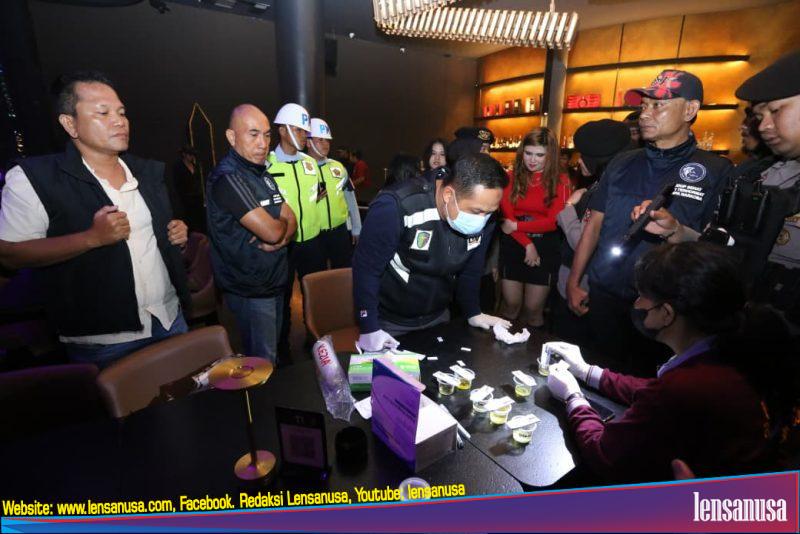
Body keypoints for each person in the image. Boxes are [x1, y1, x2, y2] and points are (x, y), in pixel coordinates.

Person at [547, 241, 799, 483]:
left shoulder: (688, 385)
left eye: (642, 296)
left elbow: (604, 454)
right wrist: (589, 372)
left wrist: (573, 398)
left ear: (667, 313)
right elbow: (655, 393)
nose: (637, 303)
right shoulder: (726, 352)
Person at [0, 71, 190, 368]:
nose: (119, 121)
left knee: (189, 396)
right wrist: (91, 238)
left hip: (170, 320)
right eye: (103, 113)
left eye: (121, 113)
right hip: (104, 341)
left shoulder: (147, 172)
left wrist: (176, 236)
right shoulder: (35, 178)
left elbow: (155, 239)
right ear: (70, 124)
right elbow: (10, 254)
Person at [566, 69, 732, 375]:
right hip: (604, 297)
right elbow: (594, 225)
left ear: (690, 110)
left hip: (666, 311)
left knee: (648, 386)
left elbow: (717, 251)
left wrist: (677, 230)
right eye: (644, 106)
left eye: (658, 105)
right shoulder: (622, 162)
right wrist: (574, 282)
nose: (645, 114)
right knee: (597, 377)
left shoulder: (715, 171)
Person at [633, 51, 800, 329]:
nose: (764, 126)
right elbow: (728, 249)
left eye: (776, 111)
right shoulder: (755, 175)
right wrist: (677, 231)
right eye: (760, 115)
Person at [352, 153, 511, 350]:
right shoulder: (397, 205)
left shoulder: (485, 217)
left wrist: (473, 312)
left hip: (439, 317)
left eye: (490, 212)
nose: (482, 219)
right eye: (477, 211)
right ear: (448, 195)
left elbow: (472, 269)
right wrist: (369, 327)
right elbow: (366, 270)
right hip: (389, 323)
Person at [205, 104, 296, 363]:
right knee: (261, 364)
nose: (263, 143)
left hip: (274, 281)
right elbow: (272, 232)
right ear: (231, 137)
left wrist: (280, 236)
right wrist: (280, 232)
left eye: (266, 135)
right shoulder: (229, 178)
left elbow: (292, 218)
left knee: (272, 355)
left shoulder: (262, 173)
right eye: (253, 134)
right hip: (252, 289)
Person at [554, 119, 630, 345]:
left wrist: (568, 207)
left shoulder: (601, 192)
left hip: (583, 281)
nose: (578, 161)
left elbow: (581, 240)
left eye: (583, 156)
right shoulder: (606, 185)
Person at [268, 103, 326, 355]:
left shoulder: (310, 164)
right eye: (300, 130)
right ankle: (282, 349)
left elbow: (320, 196)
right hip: (282, 244)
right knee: (281, 297)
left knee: (314, 295)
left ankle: (315, 339)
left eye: (306, 131)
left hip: (312, 241)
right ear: (283, 130)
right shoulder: (267, 165)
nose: (305, 135)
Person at [498, 128, 570, 328]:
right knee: (511, 306)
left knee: (533, 311)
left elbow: (553, 221)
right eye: (528, 153)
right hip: (514, 243)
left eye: (539, 155)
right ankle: (501, 345)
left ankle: (530, 347)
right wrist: (528, 244)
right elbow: (507, 218)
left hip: (545, 246)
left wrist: (518, 225)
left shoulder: (561, 181)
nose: (532, 160)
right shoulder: (510, 177)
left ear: (550, 156)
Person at [307, 117, 361, 267]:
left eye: (327, 140)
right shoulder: (300, 168)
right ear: (308, 142)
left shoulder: (338, 167)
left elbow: (350, 198)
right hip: (314, 235)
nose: (325, 144)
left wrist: (357, 227)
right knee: (315, 275)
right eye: (320, 140)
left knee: (343, 273)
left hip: (340, 233)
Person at [173, 144, 205, 232]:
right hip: (186, 200)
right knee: (190, 222)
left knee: (200, 219)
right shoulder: (178, 167)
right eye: (189, 154)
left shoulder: (195, 165)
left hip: (197, 197)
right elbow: (177, 184)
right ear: (184, 154)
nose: (191, 156)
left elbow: (198, 181)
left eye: (192, 154)